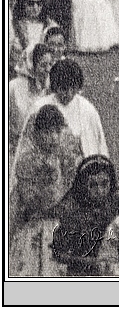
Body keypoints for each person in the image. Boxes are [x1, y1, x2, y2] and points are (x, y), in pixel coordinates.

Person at [9, 104, 81, 276]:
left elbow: (72, 191)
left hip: (59, 226)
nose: (53, 137)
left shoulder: (64, 158)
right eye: (47, 132)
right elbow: (28, 200)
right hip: (32, 226)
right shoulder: (27, 161)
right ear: (37, 133)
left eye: (57, 132)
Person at [52, 155, 119, 277]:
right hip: (79, 273)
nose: (100, 191)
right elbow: (58, 253)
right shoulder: (71, 207)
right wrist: (90, 262)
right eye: (92, 185)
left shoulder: (117, 202)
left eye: (104, 184)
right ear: (83, 186)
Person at [29, 59, 109, 159]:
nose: (69, 94)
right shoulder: (40, 106)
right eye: (64, 89)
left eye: (73, 89)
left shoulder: (87, 109)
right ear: (55, 86)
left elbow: (99, 146)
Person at [9, 43, 54, 170]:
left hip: (43, 152)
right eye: (43, 65)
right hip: (14, 151)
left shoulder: (50, 88)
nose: (48, 69)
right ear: (31, 64)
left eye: (50, 64)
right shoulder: (13, 87)